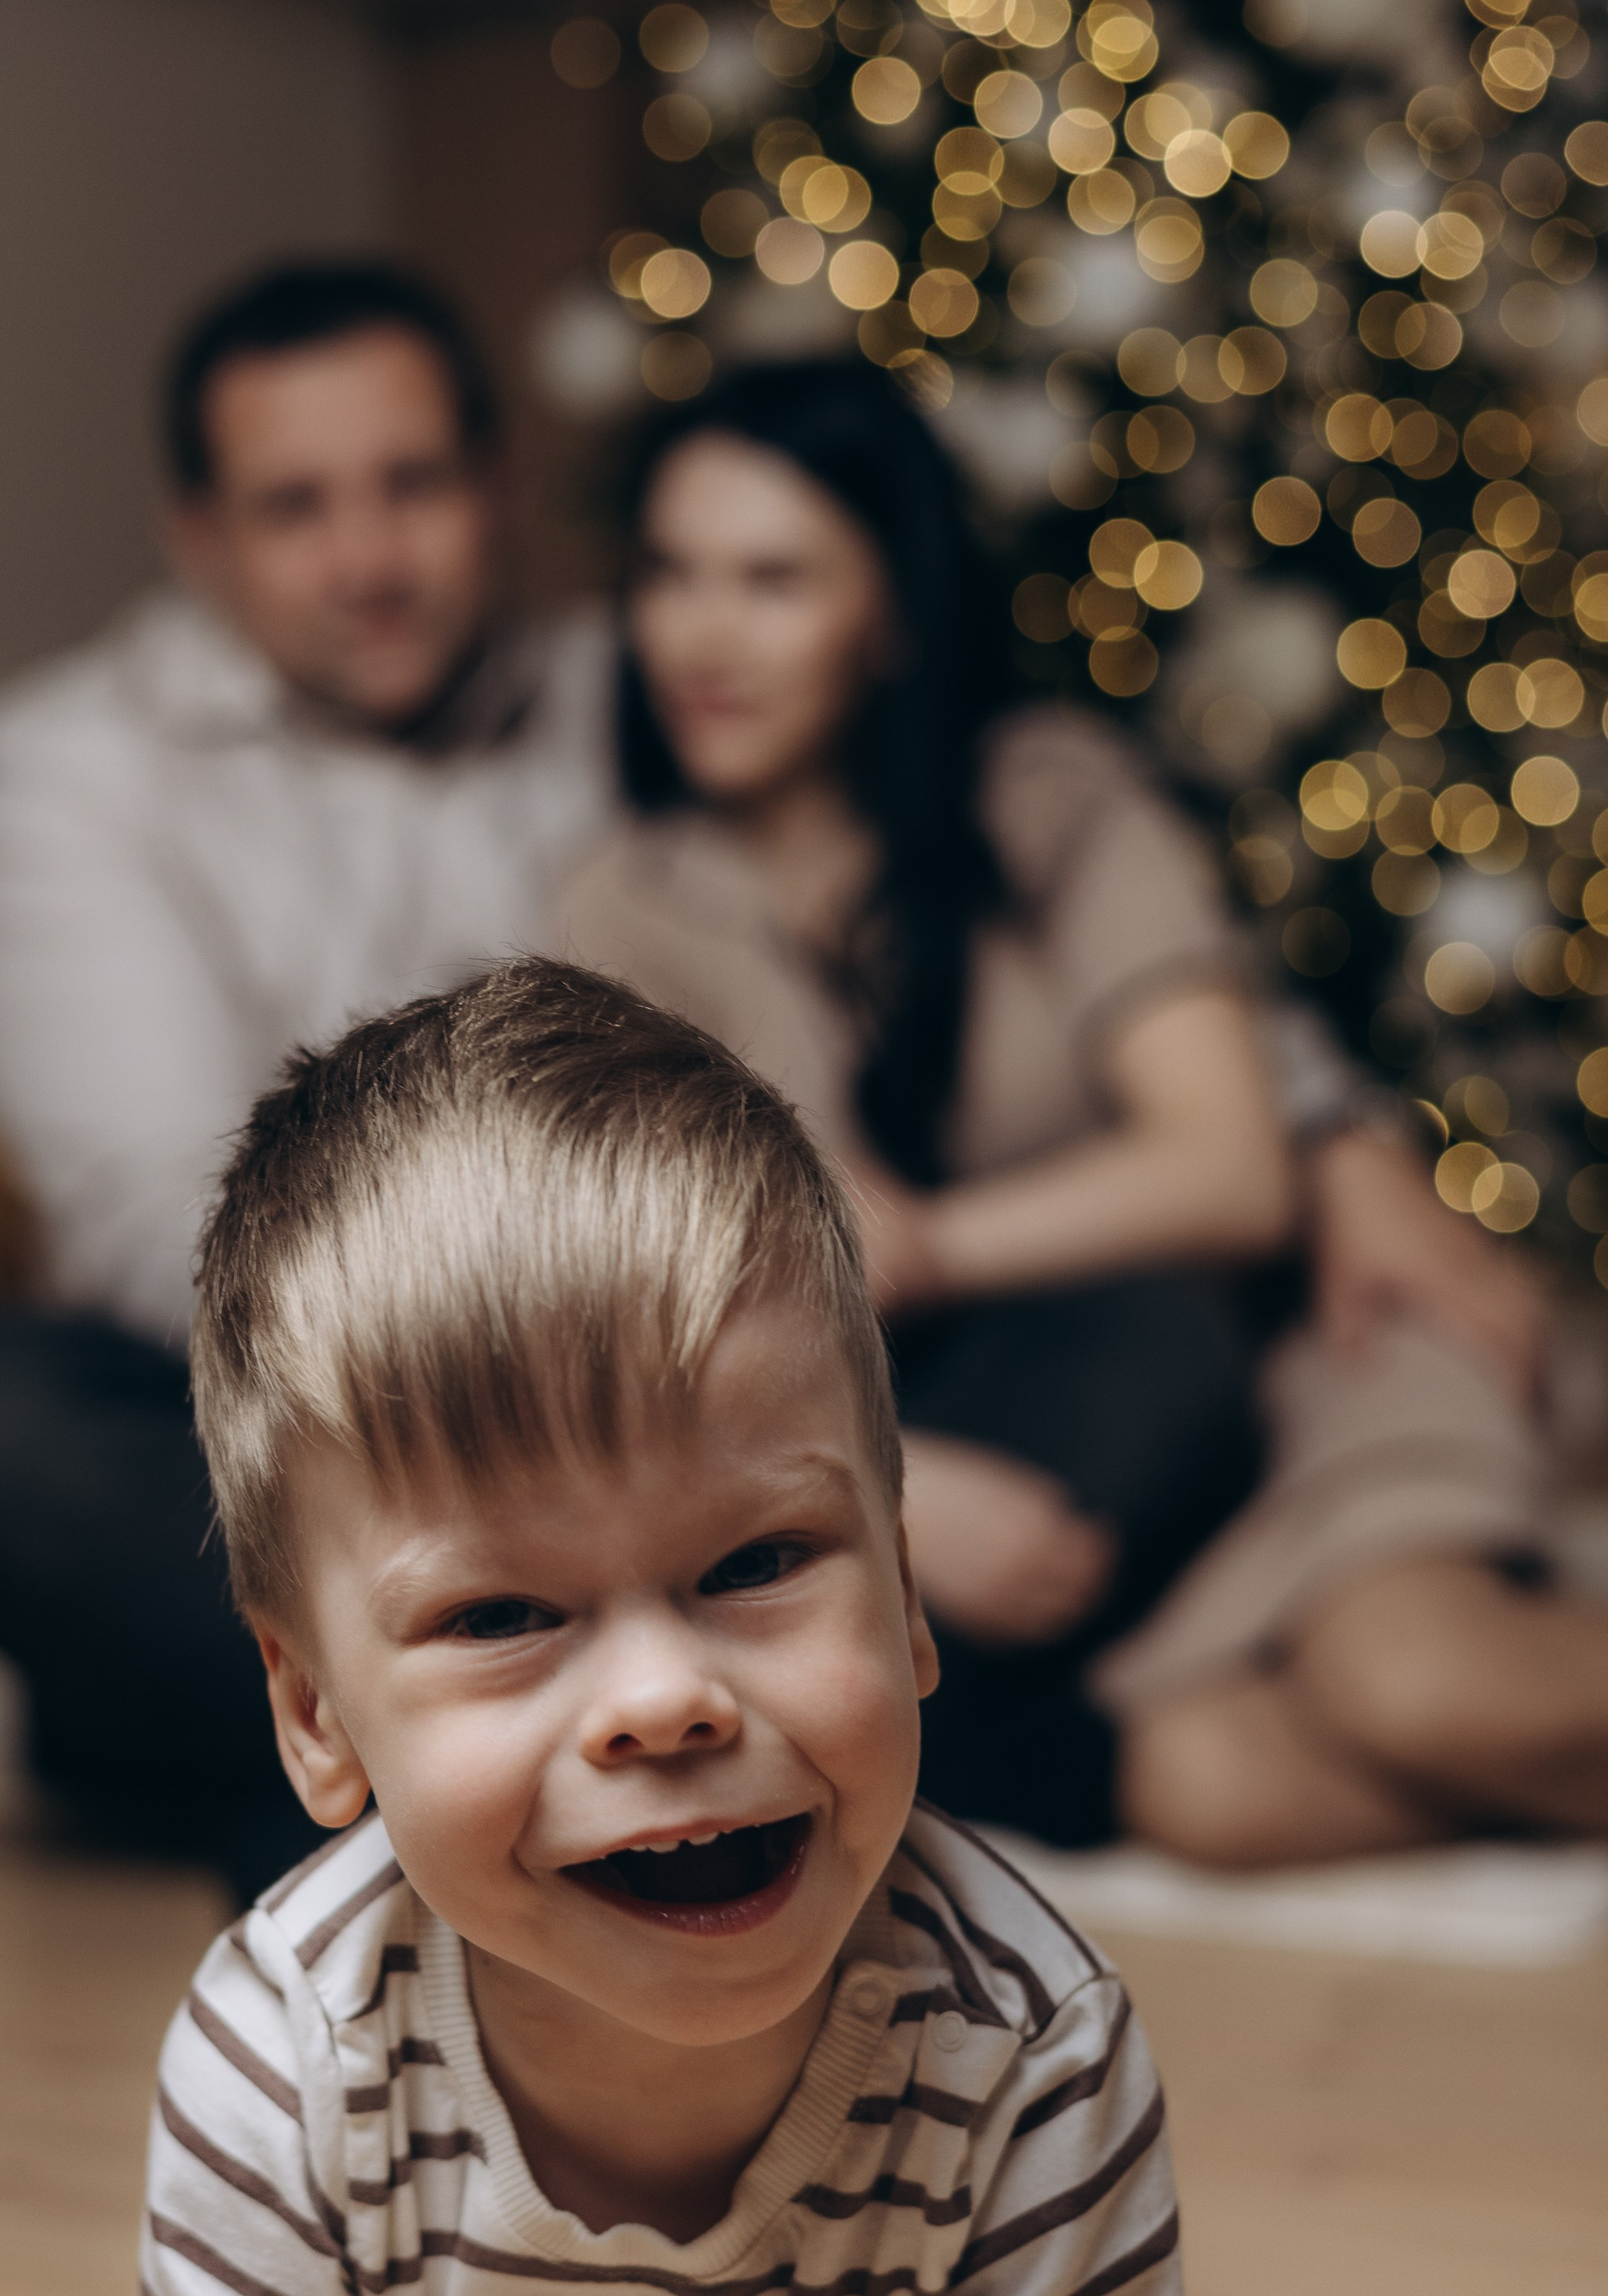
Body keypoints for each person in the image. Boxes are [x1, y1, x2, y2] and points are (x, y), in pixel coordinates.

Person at [143, 956, 1187, 2296]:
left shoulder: (1026, 2056)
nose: (659, 1700)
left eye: (756, 1562)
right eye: (501, 1616)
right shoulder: (275, 2081)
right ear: (313, 1711)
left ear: (905, 1584)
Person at [556, 356, 1600, 1865]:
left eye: (772, 579)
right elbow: (649, 1322)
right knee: (1198, 1790)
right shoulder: (618, 908)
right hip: (1033, 1474)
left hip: (1298, 1356)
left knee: (1418, 1683)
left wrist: (918, 1241)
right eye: (668, 574)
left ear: (893, 616)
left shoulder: (1045, 797)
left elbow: (1231, 1168)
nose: (700, 636)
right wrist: (890, 1506)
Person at [0, 262, 610, 1898]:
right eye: (295, 509)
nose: (368, 562)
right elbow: (167, 1220)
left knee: (1134, 1350)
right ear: (195, 538)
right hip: (288, 1429)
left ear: (493, 488)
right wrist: (504, 1420)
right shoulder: (63, 768)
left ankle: (323, 1761)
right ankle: (656, 1729)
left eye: (411, 485)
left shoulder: (634, 697)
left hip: (661, 1378)